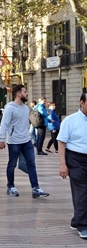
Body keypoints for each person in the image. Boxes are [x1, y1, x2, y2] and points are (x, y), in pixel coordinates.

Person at [0, 84, 49, 198]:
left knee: (31, 164)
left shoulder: (25, 108)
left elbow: (25, 125)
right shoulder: (10, 108)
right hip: (14, 141)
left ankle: (35, 188)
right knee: (12, 164)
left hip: (26, 141)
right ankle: (11, 186)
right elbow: (4, 124)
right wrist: (2, 139)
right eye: (25, 92)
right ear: (18, 94)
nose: (27, 94)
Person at [56, 92, 87, 238]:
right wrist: (63, 164)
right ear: (82, 102)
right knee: (81, 192)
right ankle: (83, 226)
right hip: (75, 159)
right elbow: (61, 142)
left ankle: (76, 220)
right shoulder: (70, 120)